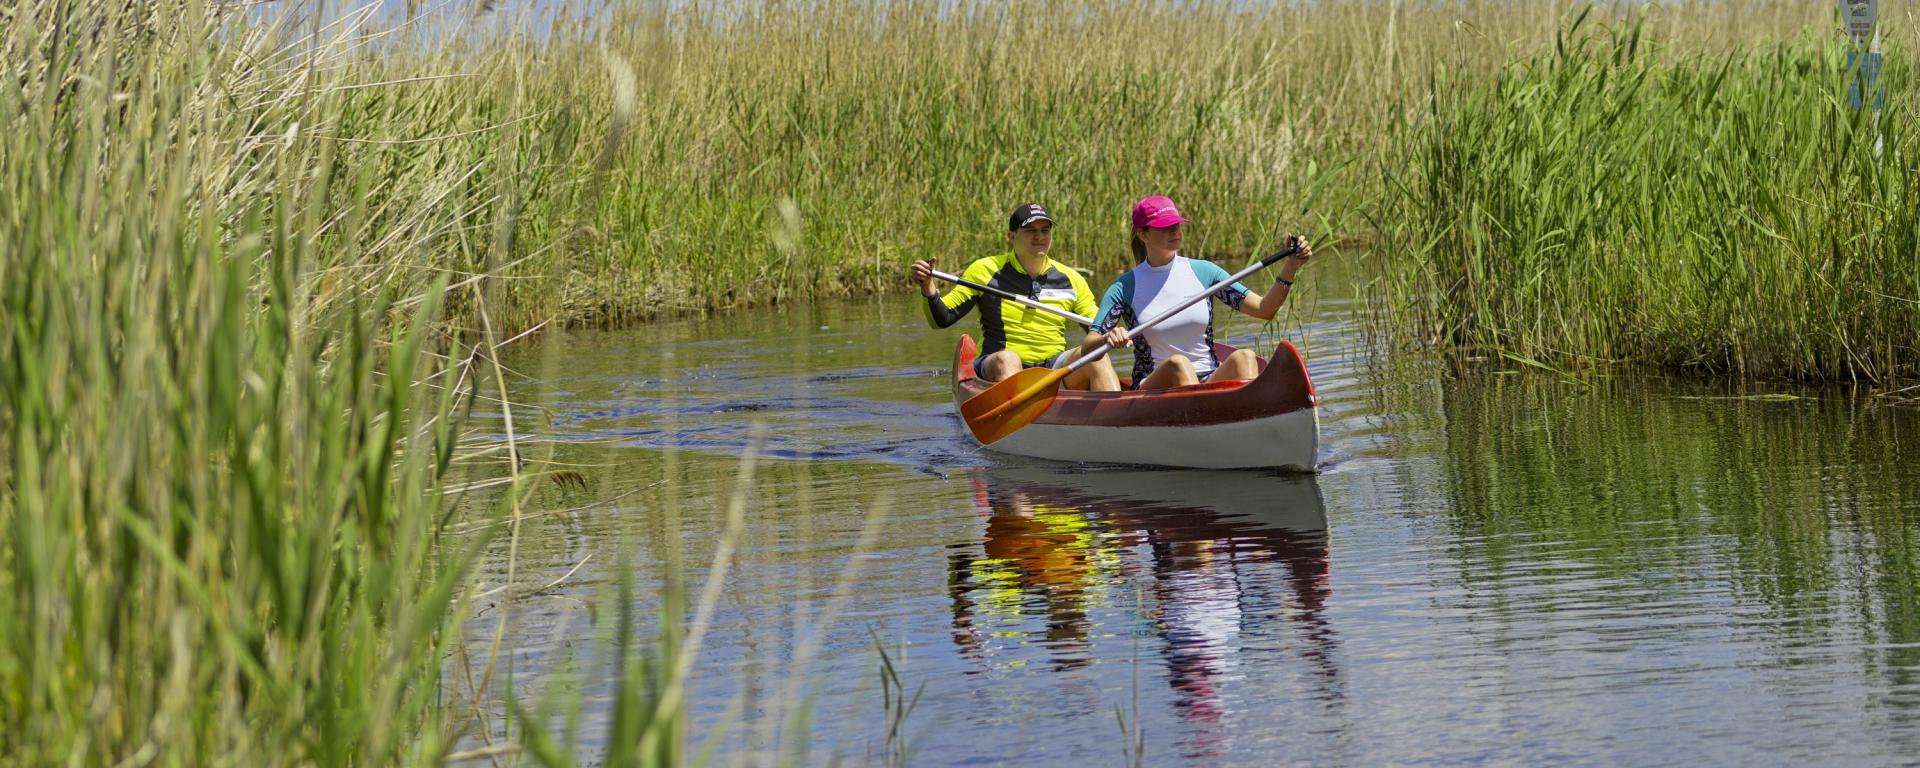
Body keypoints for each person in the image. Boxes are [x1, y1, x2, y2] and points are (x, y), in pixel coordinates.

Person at [1087, 195, 1312, 389]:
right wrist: (1107, 337)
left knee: (1244, 357)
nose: (1175, 231)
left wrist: (1291, 266)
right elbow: (1090, 344)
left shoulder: (1205, 272)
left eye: (1176, 224)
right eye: (1165, 227)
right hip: (1153, 387)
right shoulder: (1124, 287)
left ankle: (1248, 415)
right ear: (1143, 235)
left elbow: (1265, 310)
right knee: (1179, 364)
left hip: (1207, 378)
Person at [910, 203, 1120, 391]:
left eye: (1045, 230)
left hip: (1053, 368)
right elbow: (942, 318)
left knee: (1098, 357)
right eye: (1030, 230)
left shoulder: (1072, 279)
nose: (1039, 237)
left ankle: (1117, 417)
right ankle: (1021, 417)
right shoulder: (985, 270)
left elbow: (1098, 328)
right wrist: (928, 286)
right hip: (997, 364)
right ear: (1011, 236)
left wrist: (1113, 334)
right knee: (1008, 359)